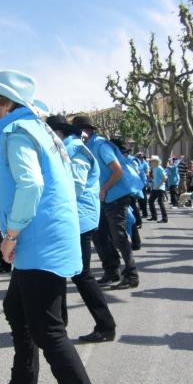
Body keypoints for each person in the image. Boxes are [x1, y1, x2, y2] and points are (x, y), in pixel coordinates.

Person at [0, 70, 95, 384]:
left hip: (37, 239)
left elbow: (31, 184)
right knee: (16, 308)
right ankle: (23, 383)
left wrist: (10, 235)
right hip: (42, 237)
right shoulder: (36, 129)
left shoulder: (18, 132)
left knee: (47, 328)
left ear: (8, 104)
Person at [46, 114, 116, 343]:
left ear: (59, 132)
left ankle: (106, 326)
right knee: (65, 271)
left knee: (82, 274)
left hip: (79, 219)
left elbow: (74, 186)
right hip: (73, 218)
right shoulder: (69, 149)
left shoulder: (75, 151)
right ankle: (59, 323)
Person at [72, 115, 143, 290]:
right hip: (104, 196)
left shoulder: (101, 145)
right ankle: (111, 271)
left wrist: (103, 189)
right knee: (98, 235)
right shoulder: (87, 146)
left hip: (116, 194)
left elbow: (117, 171)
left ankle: (131, 275)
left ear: (84, 131)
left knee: (118, 235)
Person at [147, 155, 168, 223]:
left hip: (160, 188)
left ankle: (165, 218)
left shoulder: (159, 168)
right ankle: (154, 216)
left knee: (160, 202)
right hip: (155, 188)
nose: (151, 162)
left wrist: (159, 185)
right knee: (150, 201)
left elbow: (165, 177)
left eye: (152, 161)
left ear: (156, 162)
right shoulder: (154, 169)